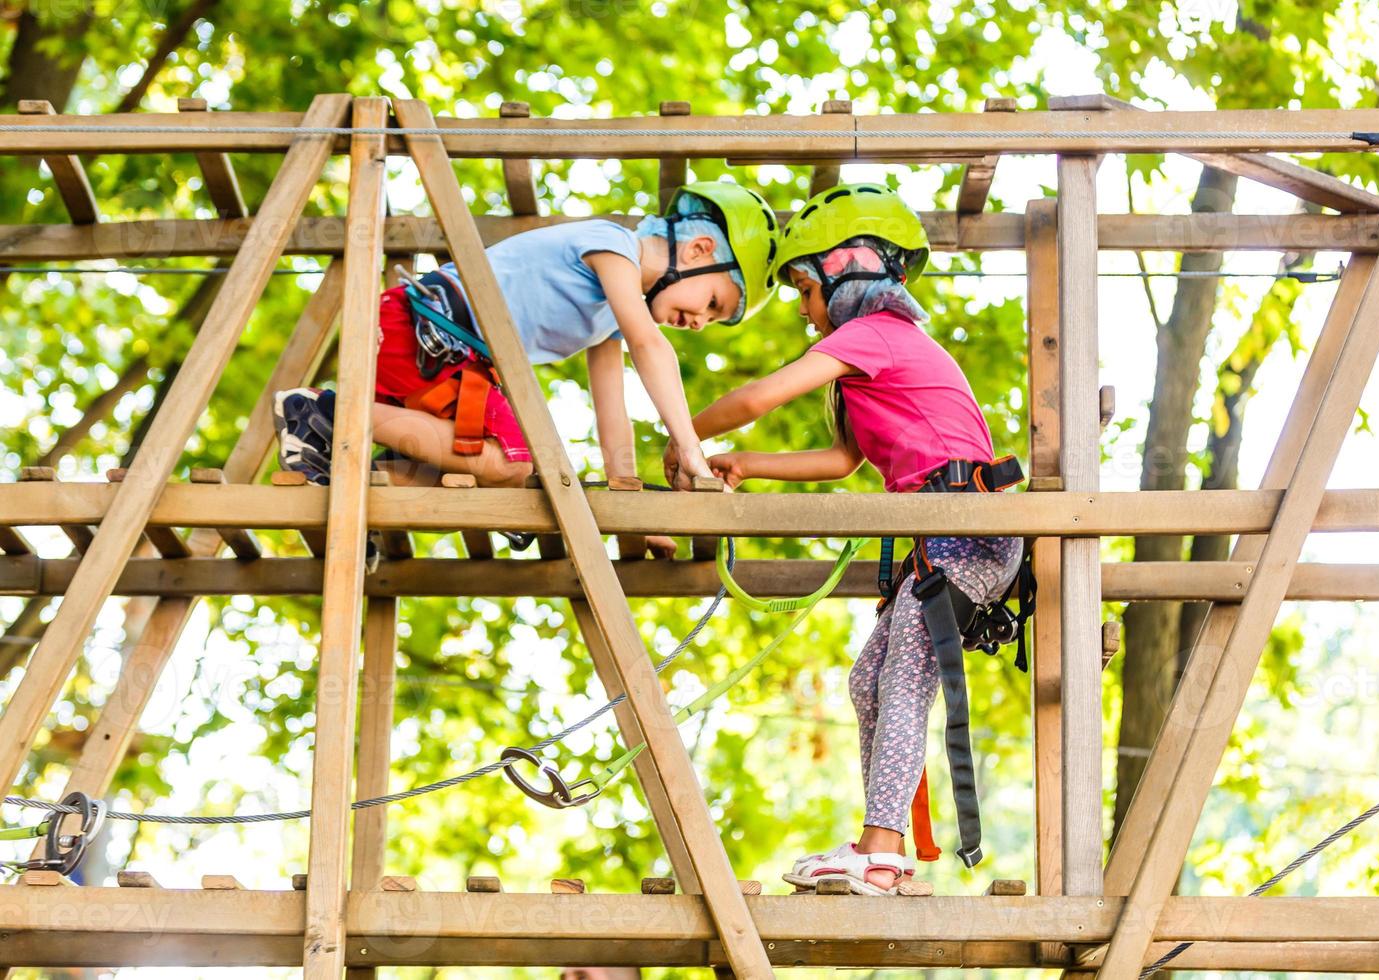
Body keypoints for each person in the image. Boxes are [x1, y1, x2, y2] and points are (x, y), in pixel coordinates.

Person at [676, 184, 1023, 895]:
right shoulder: (873, 356)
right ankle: (882, 842)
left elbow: (756, 398)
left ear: (844, 272)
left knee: (901, 677)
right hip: (943, 535)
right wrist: (745, 464)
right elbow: (844, 461)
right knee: (869, 680)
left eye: (804, 288)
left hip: (965, 530)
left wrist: (682, 432)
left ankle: (883, 849)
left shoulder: (871, 336)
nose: (803, 309)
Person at [273, 181, 780, 557]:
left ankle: (347, 473)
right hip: (427, 330)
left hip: (454, 362)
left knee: (493, 485)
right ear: (697, 250)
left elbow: (613, 414)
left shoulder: (610, 321)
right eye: (712, 302)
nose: (700, 323)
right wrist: (689, 447)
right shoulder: (613, 246)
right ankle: (326, 411)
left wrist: (631, 507)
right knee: (512, 461)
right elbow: (650, 346)